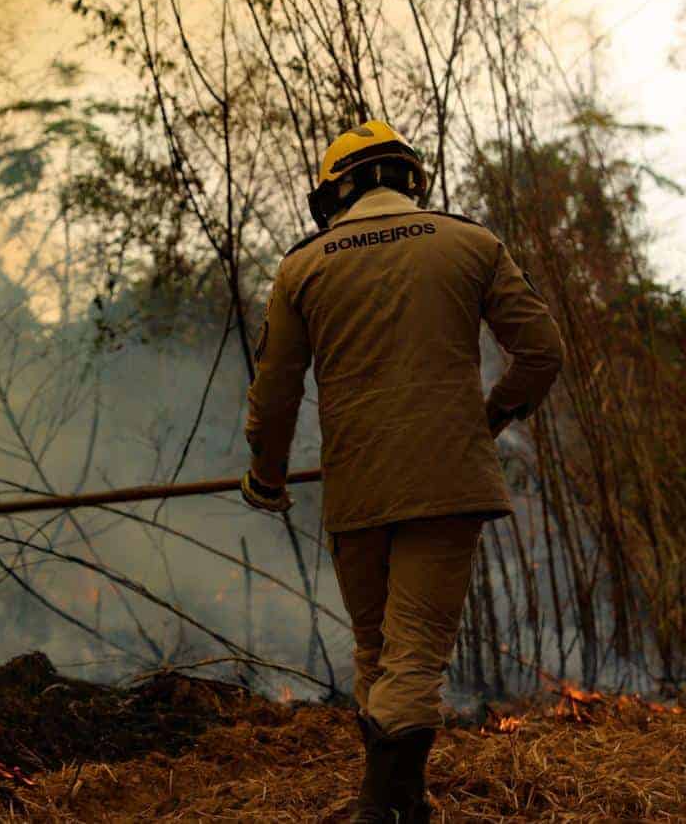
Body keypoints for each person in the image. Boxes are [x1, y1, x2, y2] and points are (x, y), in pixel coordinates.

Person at [239, 121, 564, 823]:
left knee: (379, 647)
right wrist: (488, 418)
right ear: (412, 179)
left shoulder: (304, 266)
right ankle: (389, 806)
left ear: (335, 191)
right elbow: (541, 352)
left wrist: (266, 473)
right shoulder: (471, 243)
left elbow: (276, 391)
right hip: (450, 483)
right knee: (413, 651)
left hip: (358, 487)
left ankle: (389, 805)